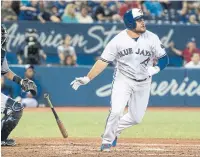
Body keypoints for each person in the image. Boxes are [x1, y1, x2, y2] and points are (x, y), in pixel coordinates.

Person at [71, 8, 169, 151]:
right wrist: (87, 78)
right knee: (116, 111)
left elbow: (164, 58)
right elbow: (103, 61)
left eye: (143, 19)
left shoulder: (152, 38)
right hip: (123, 79)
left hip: (144, 82)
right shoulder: (117, 41)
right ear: (130, 23)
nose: (143, 22)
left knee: (136, 118)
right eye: (139, 20)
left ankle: (114, 131)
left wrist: (155, 69)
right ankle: (106, 141)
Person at [1, 25, 37, 146]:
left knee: (16, 109)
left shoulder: (1, 53)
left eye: (2, 35)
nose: (2, 38)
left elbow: (6, 72)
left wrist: (21, 81)